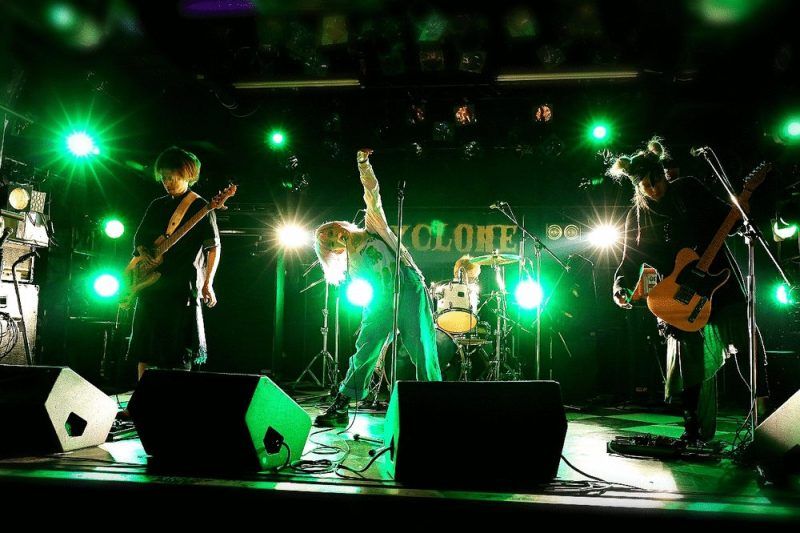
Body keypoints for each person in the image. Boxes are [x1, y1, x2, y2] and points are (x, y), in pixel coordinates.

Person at [609, 137, 767, 443]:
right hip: (678, 295)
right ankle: (692, 427)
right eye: (646, 186)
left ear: (663, 174)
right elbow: (629, 261)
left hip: (718, 280)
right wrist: (620, 286)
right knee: (686, 359)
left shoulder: (689, 188)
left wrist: (740, 212)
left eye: (657, 181)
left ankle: (763, 407)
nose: (654, 189)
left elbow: (727, 219)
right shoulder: (637, 216)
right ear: (637, 187)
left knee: (745, 336)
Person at [313, 149, 441, 427]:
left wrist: (363, 164)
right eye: (330, 241)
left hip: (407, 285)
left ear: (340, 226)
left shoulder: (373, 226)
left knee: (421, 344)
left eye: (332, 230)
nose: (335, 236)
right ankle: (343, 404)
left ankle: (434, 401)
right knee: (366, 347)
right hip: (380, 299)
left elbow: (372, 193)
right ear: (334, 250)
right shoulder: (352, 264)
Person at [126, 146, 221, 381]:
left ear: (188, 175)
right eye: (164, 177)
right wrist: (143, 251)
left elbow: (213, 248)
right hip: (150, 286)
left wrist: (208, 283)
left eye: (172, 177)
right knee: (145, 346)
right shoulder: (157, 205)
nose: (167, 182)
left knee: (178, 349)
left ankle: (175, 398)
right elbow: (139, 240)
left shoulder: (201, 207)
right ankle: (143, 397)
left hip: (181, 287)